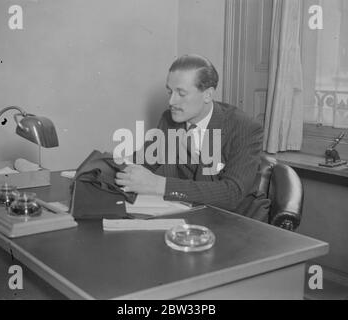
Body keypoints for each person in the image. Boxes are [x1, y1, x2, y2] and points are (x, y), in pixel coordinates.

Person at [115, 54, 270, 222]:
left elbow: (231, 193)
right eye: (170, 92)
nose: (171, 101)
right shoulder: (169, 119)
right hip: (191, 216)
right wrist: (110, 166)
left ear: (207, 95)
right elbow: (145, 160)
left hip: (238, 221)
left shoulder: (244, 127)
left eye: (181, 93)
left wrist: (159, 185)